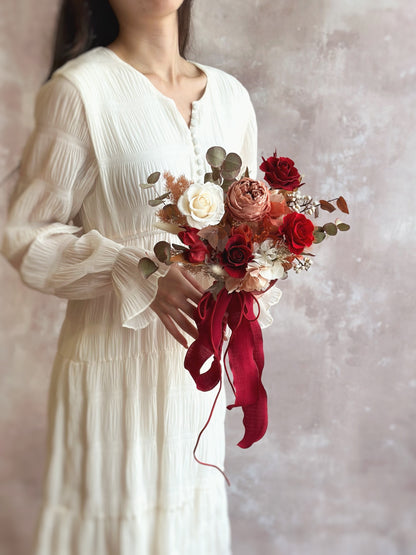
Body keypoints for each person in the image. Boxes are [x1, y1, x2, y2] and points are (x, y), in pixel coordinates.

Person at [1, 0, 278, 553]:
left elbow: (248, 229)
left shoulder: (230, 96)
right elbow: (26, 234)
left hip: (191, 381)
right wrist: (135, 269)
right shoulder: (81, 91)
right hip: (111, 373)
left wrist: (256, 270)